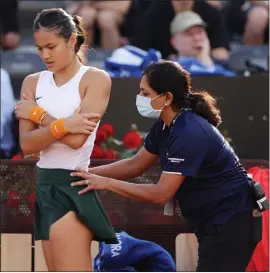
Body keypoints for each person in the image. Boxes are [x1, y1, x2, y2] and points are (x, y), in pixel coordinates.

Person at [70, 60, 262, 271]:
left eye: (145, 93)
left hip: (232, 223)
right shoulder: (165, 124)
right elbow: (135, 164)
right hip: (216, 223)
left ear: (167, 97)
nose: (140, 98)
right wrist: (84, 173)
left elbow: (161, 193)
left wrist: (105, 183)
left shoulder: (189, 132)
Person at [14, 8, 118, 271]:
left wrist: (40, 116)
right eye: (39, 48)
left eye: (51, 46)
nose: (44, 55)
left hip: (71, 185)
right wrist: (64, 124)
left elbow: (75, 141)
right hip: (45, 185)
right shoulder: (31, 82)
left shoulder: (95, 79)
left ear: (72, 39)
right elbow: (27, 145)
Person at [170, 11, 235, 76]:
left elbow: (233, 82)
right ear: (174, 42)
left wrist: (207, 61)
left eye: (200, 32)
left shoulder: (222, 65)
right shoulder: (169, 67)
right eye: (189, 34)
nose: (197, 38)